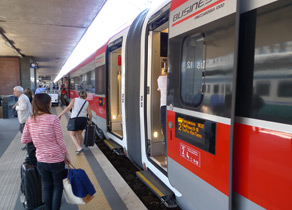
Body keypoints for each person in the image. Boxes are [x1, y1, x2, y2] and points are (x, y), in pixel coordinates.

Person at [21, 93, 70, 210]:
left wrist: (37, 136)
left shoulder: (30, 120)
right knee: (58, 186)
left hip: (41, 160)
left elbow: (24, 139)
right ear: (46, 104)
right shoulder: (53, 118)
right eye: (49, 102)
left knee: (47, 186)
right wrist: (66, 155)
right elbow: (60, 140)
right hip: (56, 159)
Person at [157, 68, 167, 167]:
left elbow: (159, 89)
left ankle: (167, 160)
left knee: (166, 134)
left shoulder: (160, 78)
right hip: (173, 107)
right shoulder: (176, 79)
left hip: (164, 107)